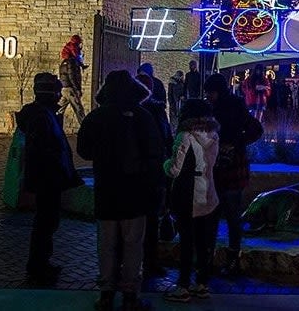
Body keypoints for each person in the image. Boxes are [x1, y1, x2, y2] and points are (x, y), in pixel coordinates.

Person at [77, 70, 161, 311]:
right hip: (135, 191)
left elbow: (83, 150)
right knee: (133, 244)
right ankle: (130, 295)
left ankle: (106, 293)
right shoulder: (143, 117)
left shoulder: (96, 117)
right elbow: (155, 154)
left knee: (106, 243)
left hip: (106, 188)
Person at [16, 73, 81, 286]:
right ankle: (38, 266)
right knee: (45, 223)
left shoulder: (44, 115)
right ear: (49, 93)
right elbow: (45, 149)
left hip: (48, 177)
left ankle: (42, 262)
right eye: (56, 92)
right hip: (47, 179)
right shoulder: (41, 117)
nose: (59, 96)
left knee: (47, 223)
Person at [204, 73, 264, 277]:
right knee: (228, 216)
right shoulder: (233, 107)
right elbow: (255, 129)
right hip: (228, 168)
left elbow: (255, 129)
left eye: (210, 92)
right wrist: (239, 143)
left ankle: (216, 258)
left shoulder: (220, 110)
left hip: (224, 169)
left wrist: (234, 144)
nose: (208, 96)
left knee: (222, 215)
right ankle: (228, 258)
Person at [163, 99, 220, 302]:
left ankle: (183, 286)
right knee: (203, 241)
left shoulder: (185, 135)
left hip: (187, 193)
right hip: (208, 191)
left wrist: (164, 164)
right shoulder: (213, 134)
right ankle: (202, 283)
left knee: (186, 241)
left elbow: (174, 169)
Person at [136, 73, 173, 279]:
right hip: (152, 173)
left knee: (142, 221)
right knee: (150, 221)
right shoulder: (156, 112)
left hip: (141, 174)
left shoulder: (132, 113)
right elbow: (166, 140)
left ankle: (137, 263)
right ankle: (149, 262)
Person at [58, 34, 87, 126]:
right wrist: (77, 89)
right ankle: (86, 128)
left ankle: (56, 125)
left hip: (64, 88)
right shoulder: (71, 62)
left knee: (59, 109)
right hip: (71, 89)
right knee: (79, 109)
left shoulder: (64, 62)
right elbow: (72, 76)